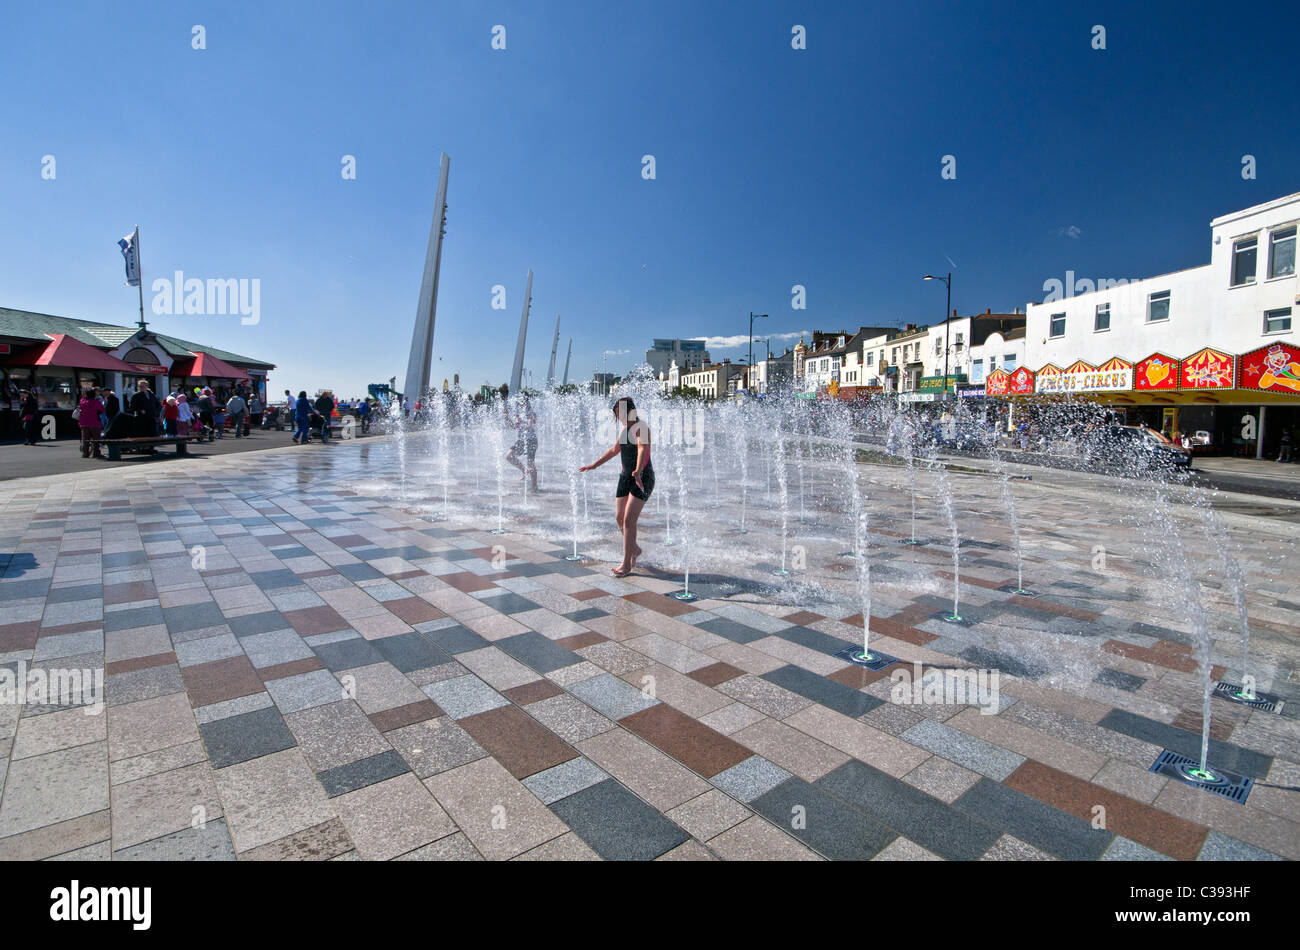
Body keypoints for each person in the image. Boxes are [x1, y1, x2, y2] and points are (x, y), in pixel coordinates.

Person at [579, 396, 654, 577]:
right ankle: (634, 549)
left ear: (630, 411)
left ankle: (626, 563)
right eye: (616, 415)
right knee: (619, 518)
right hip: (625, 478)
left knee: (629, 520)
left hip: (642, 477)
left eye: (620, 413)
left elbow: (642, 449)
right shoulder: (624, 430)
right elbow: (614, 450)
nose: (618, 417)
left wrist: (637, 470)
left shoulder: (641, 428)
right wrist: (594, 465)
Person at [504, 391, 539, 491]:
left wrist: (522, 421)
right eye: (520, 403)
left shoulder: (531, 413)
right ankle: (524, 470)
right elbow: (514, 426)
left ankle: (534, 487)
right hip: (521, 440)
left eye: (524, 402)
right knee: (508, 456)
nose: (522, 404)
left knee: (530, 463)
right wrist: (507, 418)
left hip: (531, 440)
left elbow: (529, 425)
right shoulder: (519, 413)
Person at [76, 388, 106, 459]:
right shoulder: (96, 402)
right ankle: (96, 453)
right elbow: (102, 410)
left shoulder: (82, 402)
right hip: (94, 422)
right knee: (96, 439)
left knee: (85, 439)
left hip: (84, 422)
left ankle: (85, 453)